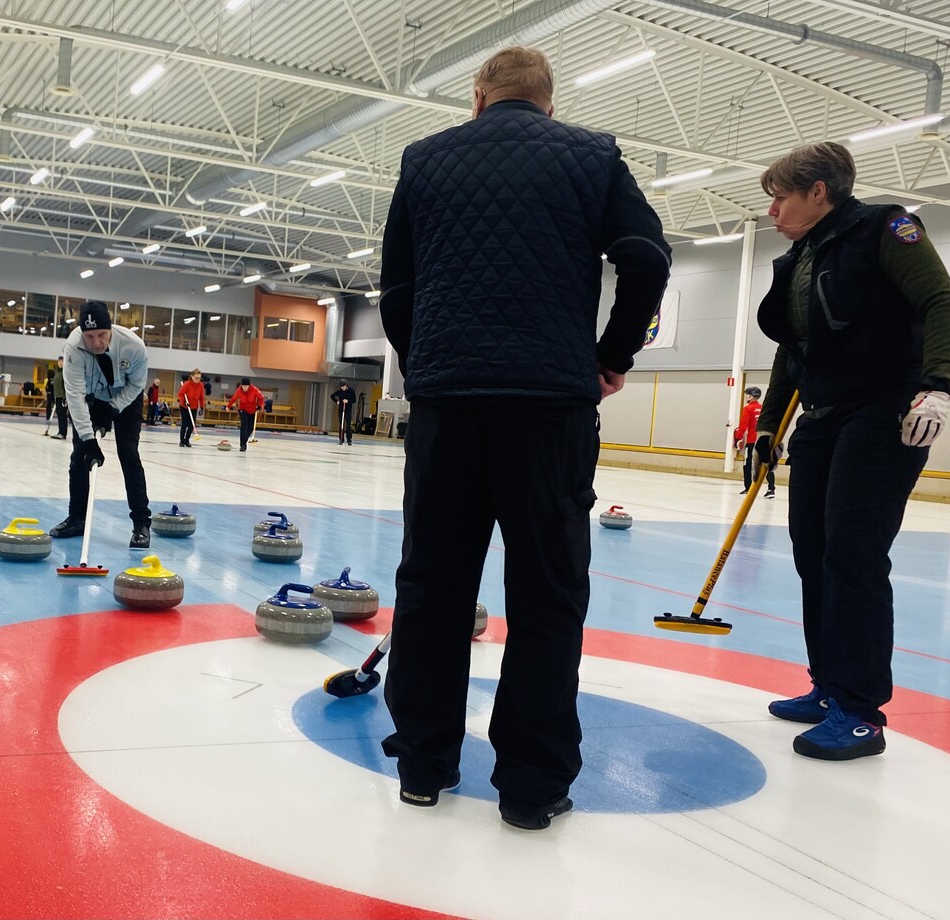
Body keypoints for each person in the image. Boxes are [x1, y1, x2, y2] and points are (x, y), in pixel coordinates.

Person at [377, 46, 671, 829]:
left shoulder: (425, 159)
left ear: (478, 97)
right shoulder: (593, 156)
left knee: (433, 587)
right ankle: (532, 789)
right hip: (549, 410)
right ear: (550, 102)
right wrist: (611, 354)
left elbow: (396, 288)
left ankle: (423, 765)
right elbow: (646, 258)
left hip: (447, 407)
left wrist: (428, 363)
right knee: (547, 595)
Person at [755, 141, 950, 761]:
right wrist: (768, 427)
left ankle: (860, 711)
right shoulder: (802, 255)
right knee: (812, 550)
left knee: (853, 552)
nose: (772, 211)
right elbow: (795, 349)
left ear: (818, 191)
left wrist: (937, 384)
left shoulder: (885, 229)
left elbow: (941, 303)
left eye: (780, 198)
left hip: (883, 411)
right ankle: (829, 684)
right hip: (822, 415)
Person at [49, 301, 152, 549]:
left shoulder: (134, 347)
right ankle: (77, 518)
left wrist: (114, 407)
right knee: (80, 456)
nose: (96, 342)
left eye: (102, 335)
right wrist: (88, 441)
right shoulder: (74, 347)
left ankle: (141, 524)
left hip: (126, 397)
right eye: (90, 336)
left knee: (128, 454)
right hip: (91, 397)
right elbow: (74, 395)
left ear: (111, 329)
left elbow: (137, 385)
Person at [734, 386, 774, 497]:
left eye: (746, 394)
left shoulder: (748, 409)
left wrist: (738, 438)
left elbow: (743, 426)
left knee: (748, 464)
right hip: (764, 439)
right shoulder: (763, 408)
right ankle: (771, 488)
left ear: (750, 396)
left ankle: (748, 487)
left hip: (752, 441)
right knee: (766, 462)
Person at [225, 377, 264, 452]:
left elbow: (261, 398)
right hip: (242, 409)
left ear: (249, 385)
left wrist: (259, 406)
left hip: (252, 410)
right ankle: (242, 445)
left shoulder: (254, 389)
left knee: (251, 428)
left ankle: (244, 440)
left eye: (246, 386)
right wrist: (228, 406)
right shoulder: (239, 390)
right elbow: (233, 398)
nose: (245, 388)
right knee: (244, 426)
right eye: (243, 386)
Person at [177, 368, 206, 447]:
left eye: (199, 378)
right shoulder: (187, 384)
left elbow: (201, 397)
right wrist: (184, 402)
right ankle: (182, 441)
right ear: (192, 377)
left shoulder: (200, 386)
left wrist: (202, 407)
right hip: (184, 407)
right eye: (196, 378)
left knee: (192, 425)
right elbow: (180, 394)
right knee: (185, 423)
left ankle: (187, 440)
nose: (198, 380)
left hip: (194, 407)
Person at [330, 379, 357, 445]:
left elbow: (354, 400)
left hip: (348, 410)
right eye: (341, 387)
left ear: (346, 385)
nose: (343, 388)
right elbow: (332, 396)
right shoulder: (340, 391)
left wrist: (348, 401)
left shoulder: (351, 391)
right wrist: (337, 401)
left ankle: (349, 440)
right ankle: (341, 439)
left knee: (348, 425)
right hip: (341, 410)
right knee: (341, 424)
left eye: (343, 387)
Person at [50, 356, 68, 439]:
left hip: (62, 396)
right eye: (59, 361)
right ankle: (60, 431)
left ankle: (63, 433)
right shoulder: (57, 372)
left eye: (62, 361)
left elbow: (66, 385)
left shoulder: (65, 372)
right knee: (59, 414)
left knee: (63, 414)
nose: (60, 363)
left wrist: (65, 397)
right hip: (57, 396)